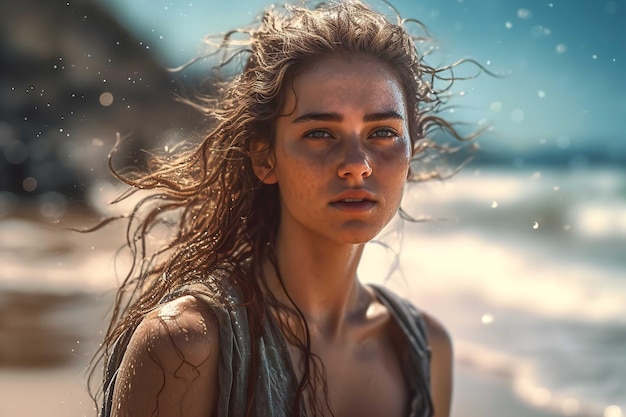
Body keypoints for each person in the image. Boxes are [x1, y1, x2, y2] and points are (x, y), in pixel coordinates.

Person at [91, 0, 482, 415]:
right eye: (319, 133)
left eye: (383, 131)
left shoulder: (425, 350)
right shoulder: (187, 345)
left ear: (412, 150)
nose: (356, 164)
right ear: (265, 157)